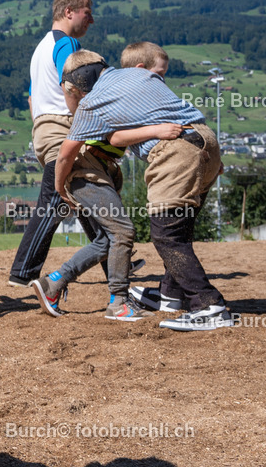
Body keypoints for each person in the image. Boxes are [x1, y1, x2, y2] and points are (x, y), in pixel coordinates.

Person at [52, 48, 232, 331]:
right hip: (206, 141)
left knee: (167, 234)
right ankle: (171, 296)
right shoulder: (140, 74)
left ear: (76, 87)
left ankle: (208, 305)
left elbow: (65, 155)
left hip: (176, 152)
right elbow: (152, 118)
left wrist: (59, 185)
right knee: (180, 230)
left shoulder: (92, 102)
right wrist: (210, 159)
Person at [30, 43, 170, 321]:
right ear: (141, 70)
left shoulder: (115, 92)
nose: (161, 80)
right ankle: (119, 302)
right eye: (158, 73)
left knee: (109, 237)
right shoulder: (106, 97)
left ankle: (53, 283)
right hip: (85, 171)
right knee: (123, 231)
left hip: (96, 170)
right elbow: (85, 147)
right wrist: (60, 186)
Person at [9, 0, 99, 288]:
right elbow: (72, 82)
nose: (91, 19)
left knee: (81, 194)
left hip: (43, 128)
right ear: (70, 11)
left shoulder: (41, 48)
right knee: (55, 201)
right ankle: (22, 273)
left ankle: (112, 255)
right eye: (88, 12)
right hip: (62, 127)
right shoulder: (67, 43)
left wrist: (40, 126)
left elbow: (32, 97)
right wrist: (83, 120)